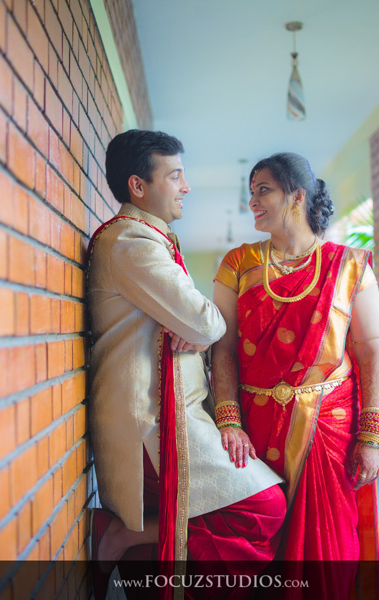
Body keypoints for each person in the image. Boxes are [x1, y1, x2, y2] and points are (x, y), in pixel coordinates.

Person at [87, 130, 286, 599]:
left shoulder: (150, 240)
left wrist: (197, 334)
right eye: (175, 175)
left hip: (173, 412)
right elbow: (206, 321)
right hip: (149, 420)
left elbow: (197, 327)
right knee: (263, 506)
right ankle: (122, 535)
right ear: (138, 186)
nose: (186, 186)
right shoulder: (131, 242)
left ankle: (127, 538)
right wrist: (201, 333)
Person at [211, 152, 379, 599]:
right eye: (251, 192)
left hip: (329, 430)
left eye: (263, 190)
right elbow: (223, 347)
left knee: (327, 554)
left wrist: (372, 436)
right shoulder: (238, 263)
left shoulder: (350, 266)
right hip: (253, 430)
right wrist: (228, 419)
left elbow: (371, 350)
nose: (252, 201)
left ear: (297, 196)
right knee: (259, 547)